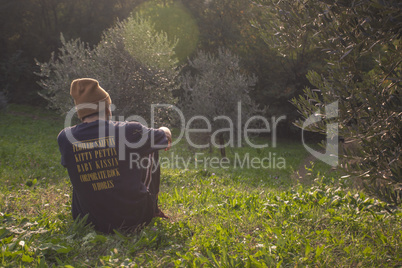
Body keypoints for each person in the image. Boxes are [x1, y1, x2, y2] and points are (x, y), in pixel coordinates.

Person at [57, 78, 171, 233]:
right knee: (150, 146)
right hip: (134, 218)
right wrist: (164, 129)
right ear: (106, 107)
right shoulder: (129, 131)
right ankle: (153, 208)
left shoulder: (65, 137)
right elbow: (164, 136)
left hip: (87, 221)